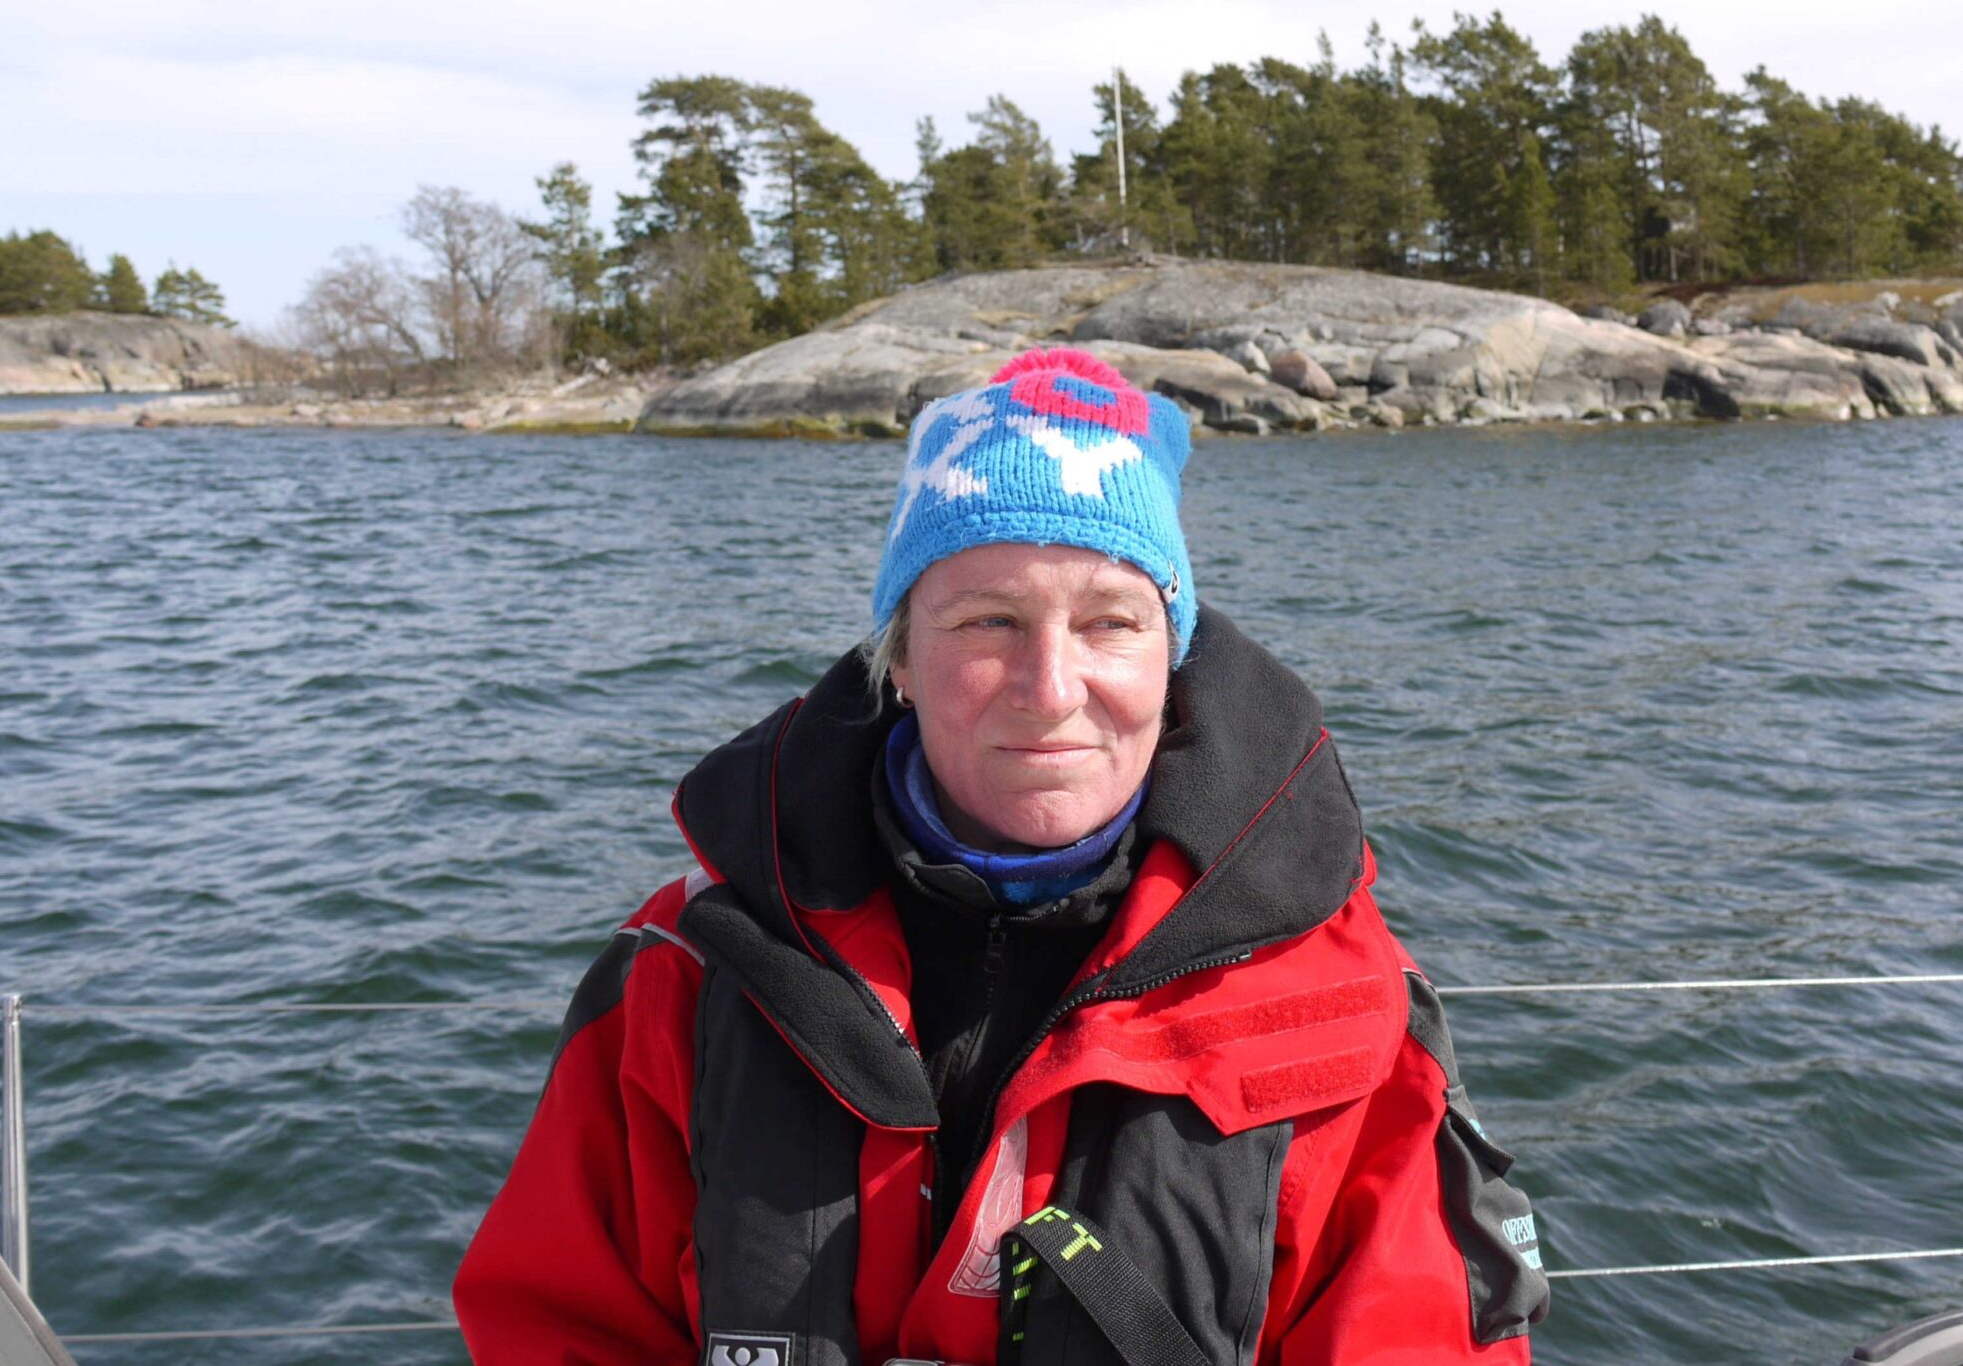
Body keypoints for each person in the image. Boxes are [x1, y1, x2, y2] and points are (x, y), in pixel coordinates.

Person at [455, 348, 1548, 1365]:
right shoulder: (686, 975)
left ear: (1173, 657)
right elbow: (554, 1322)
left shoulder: (1339, 995)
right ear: (899, 659)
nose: (1051, 689)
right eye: (987, 623)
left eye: (1110, 622)